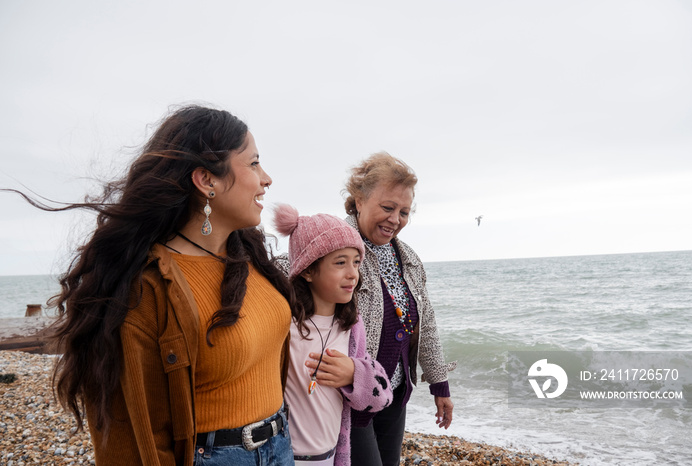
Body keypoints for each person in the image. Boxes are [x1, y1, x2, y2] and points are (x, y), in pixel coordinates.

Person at [6, 106, 296, 465]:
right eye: (253, 163)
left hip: (282, 444)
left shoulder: (251, 257)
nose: (266, 178)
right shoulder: (146, 290)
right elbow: (129, 436)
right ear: (207, 181)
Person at [343, 152, 456, 466]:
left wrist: (439, 384)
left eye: (404, 211)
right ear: (359, 200)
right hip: (350, 395)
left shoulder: (406, 256)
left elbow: (426, 322)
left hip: (393, 392)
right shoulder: (337, 248)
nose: (395, 219)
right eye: (387, 207)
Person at [272, 204, 393, 466]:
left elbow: (383, 397)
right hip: (283, 457)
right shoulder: (283, 324)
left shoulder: (350, 327)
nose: (353, 274)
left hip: (333, 458)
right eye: (340, 263)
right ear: (307, 270)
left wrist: (354, 374)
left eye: (356, 262)